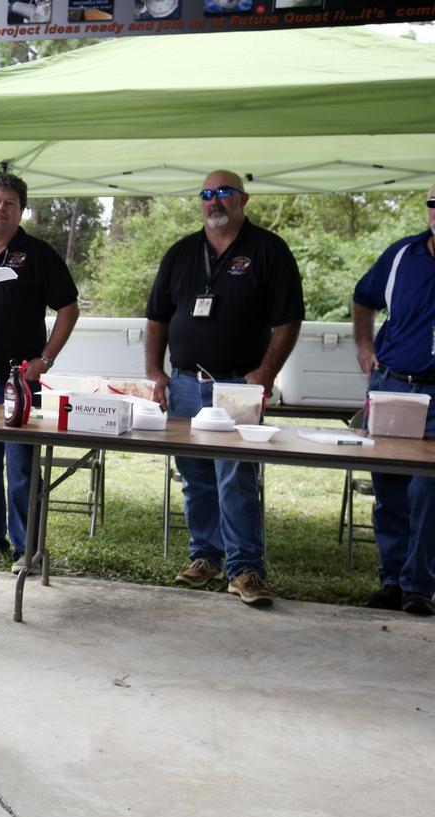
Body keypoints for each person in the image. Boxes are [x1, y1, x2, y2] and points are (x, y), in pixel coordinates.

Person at [145, 169, 303, 608]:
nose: (214, 201)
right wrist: (154, 372)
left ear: (243, 200)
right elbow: (157, 317)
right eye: (206, 194)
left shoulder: (269, 250)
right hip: (184, 384)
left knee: (236, 476)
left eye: (223, 193)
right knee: (195, 477)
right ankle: (205, 557)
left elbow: (288, 320)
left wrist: (266, 374)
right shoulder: (180, 253)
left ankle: (245, 568)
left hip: (239, 385)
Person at [0, 171, 80, 572]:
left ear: (21, 210)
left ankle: (27, 549)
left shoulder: (38, 254)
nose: (1, 209)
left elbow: (68, 307)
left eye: (10, 203)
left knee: (21, 464)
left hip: (20, 379)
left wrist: (46, 359)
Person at [350, 185, 435, 617]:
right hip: (392, 386)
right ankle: (391, 580)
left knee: (428, 488)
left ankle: (418, 586)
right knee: (389, 486)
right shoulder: (403, 254)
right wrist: (364, 344)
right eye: (434, 203)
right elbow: (363, 298)